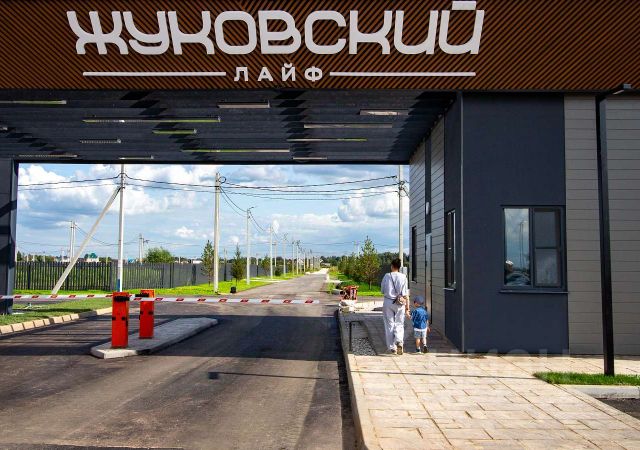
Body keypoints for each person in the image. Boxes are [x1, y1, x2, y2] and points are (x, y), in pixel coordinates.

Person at [380, 258, 409, 355]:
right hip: (400, 302)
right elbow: (405, 293)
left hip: (388, 302)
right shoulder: (404, 277)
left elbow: (382, 290)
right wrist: (407, 307)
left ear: (392, 266)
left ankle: (392, 347)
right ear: (399, 267)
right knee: (399, 323)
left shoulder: (387, 276)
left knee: (389, 324)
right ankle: (399, 341)